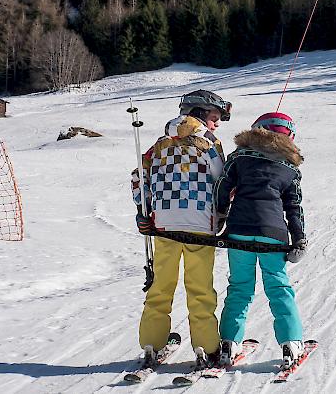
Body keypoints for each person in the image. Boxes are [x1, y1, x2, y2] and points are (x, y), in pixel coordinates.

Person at [131, 89, 231, 370]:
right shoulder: (208, 142)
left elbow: (140, 177)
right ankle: (207, 347)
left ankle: (152, 343)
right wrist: (222, 214)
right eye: (214, 117)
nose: (217, 123)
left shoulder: (160, 143)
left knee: (161, 286)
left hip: (164, 225)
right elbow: (222, 180)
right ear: (199, 113)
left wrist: (143, 211)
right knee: (199, 289)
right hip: (199, 225)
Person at [214, 112, 307, 371]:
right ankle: (291, 343)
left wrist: (220, 216)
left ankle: (229, 343)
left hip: (238, 231)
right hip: (273, 234)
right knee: (278, 288)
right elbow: (294, 206)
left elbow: (222, 185)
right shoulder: (290, 167)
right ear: (289, 137)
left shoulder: (239, 157)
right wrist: (299, 239)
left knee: (240, 287)